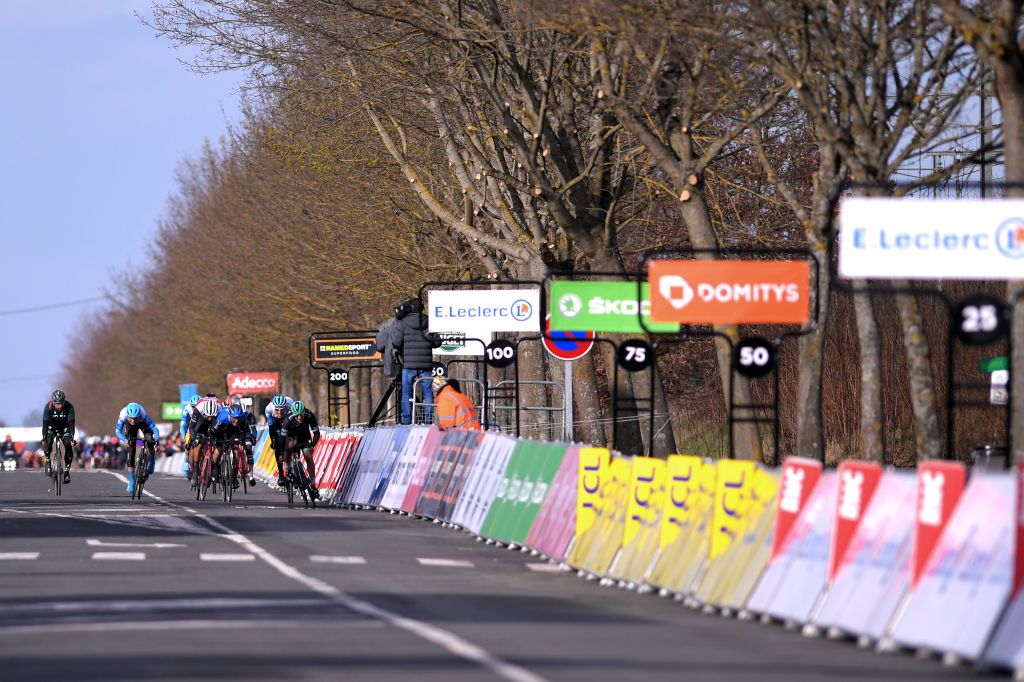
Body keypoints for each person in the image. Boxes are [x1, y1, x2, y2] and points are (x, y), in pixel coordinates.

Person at [389, 297, 441, 425]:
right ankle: (428, 420)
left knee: (406, 393)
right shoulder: (430, 322)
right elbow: (438, 342)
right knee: (428, 393)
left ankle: (406, 420)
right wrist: (427, 344)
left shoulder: (402, 323)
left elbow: (396, 342)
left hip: (409, 364)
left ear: (410, 309)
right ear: (422, 308)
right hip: (425, 364)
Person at [279, 400, 321, 498]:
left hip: (304, 437)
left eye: (301, 415)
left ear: (304, 412)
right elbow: (282, 438)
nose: (299, 417)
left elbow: (316, 433)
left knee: (308, 456)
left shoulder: (309, 414)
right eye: (297, 415)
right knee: (288, 447)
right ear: (293, 414)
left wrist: (312, 445)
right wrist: (281, 453)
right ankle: (288, 466)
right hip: (291, 436)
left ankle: (313, 483)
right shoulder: (287, 419)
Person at [115, 403, 159, 494]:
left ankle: (151, 460)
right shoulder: (123, 414)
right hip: (131, 430)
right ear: (127, 415)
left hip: (142, 423)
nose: (133, 420)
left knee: (149, 440)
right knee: (131, 451)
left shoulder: (142, 415)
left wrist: (156, 439)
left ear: (138, 415)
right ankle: (131, 480)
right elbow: (118, 432)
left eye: (135, 418)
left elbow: (154, 428)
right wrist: (125, 440)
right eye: (131, 418)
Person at [211, 404, 257, 488]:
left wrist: (242, 443)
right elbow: (213, 431)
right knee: (218, 451)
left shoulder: (242, 418)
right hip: (221, 431)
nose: (236, 420)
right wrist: (213, 441)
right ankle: (214, 468)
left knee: (236, 450)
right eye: (234, 418)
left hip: (234, 432)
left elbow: (243, 432)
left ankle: (234, 477)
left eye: (238, 418)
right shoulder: (222, 418)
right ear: (230, 416)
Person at [186, 397, 222, 487]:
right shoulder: (198, 409)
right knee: (197, 443)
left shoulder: (219, 409)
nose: (210, 418)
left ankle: (215, 467)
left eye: (211, 416)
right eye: (208, 416)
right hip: (201, 421)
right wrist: (195, 438)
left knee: (218, 441)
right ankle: (195, 470)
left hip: (215, 421)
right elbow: (191, 428)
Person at [42, 389, 76, 484]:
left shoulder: (69, 407)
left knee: (68, 445)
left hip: (64, 428)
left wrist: (72, 437)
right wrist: (44, 437)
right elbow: (45, 423)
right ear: (53, 402)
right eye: (57, 404)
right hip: (51, 428)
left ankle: (67, 472)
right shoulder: (48, 407)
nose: (60, 406)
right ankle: (48, 461)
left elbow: (71, 424)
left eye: (62, 403)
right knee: (47, 443)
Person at [265, 394, 293, 483]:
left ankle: (294, 467)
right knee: (277, 444)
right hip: (275, 421)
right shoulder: (269, 409)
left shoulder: (290, 406)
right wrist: (273, 440)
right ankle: (281, 475)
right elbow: (271, 428)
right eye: (277, 410)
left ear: (285, 407)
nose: (280, 412)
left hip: (287, 418)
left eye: (282, 410)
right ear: (274, 407)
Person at [179, 394, 201, 478]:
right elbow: (183, 425)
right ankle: (187, 462)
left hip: (201, 428)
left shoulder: (203, 408)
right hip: (191, 429)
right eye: (193, 406)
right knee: (188, 445)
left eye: (196, 406)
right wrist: (183, 436)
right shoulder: (187, 409)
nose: (195, 408)